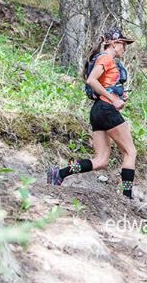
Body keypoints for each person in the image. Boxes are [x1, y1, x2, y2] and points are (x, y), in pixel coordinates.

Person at [47, 28, 138, 199]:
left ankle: (59, 173)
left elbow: (101, 83)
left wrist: (119, 95)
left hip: (98, 111)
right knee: (130, 152)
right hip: (106, 109)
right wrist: (114, 99)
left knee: (101, 160)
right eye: (123, 44)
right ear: (113, 43)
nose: (125, 47)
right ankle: (127, 196)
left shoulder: (105, 59)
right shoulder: (106, 58)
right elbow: (91, 80)